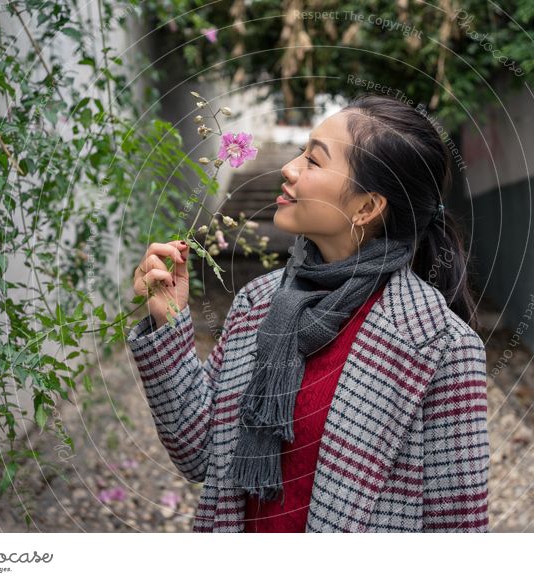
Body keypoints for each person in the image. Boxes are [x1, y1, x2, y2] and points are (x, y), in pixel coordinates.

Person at [127, 93, 489, 533]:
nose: (290, 167)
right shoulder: (259, 302)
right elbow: (199, 452)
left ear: (367, 207)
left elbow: (459, 534)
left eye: (314, 161)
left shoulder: (442, 346)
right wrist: (169, 320)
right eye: (301, 150)